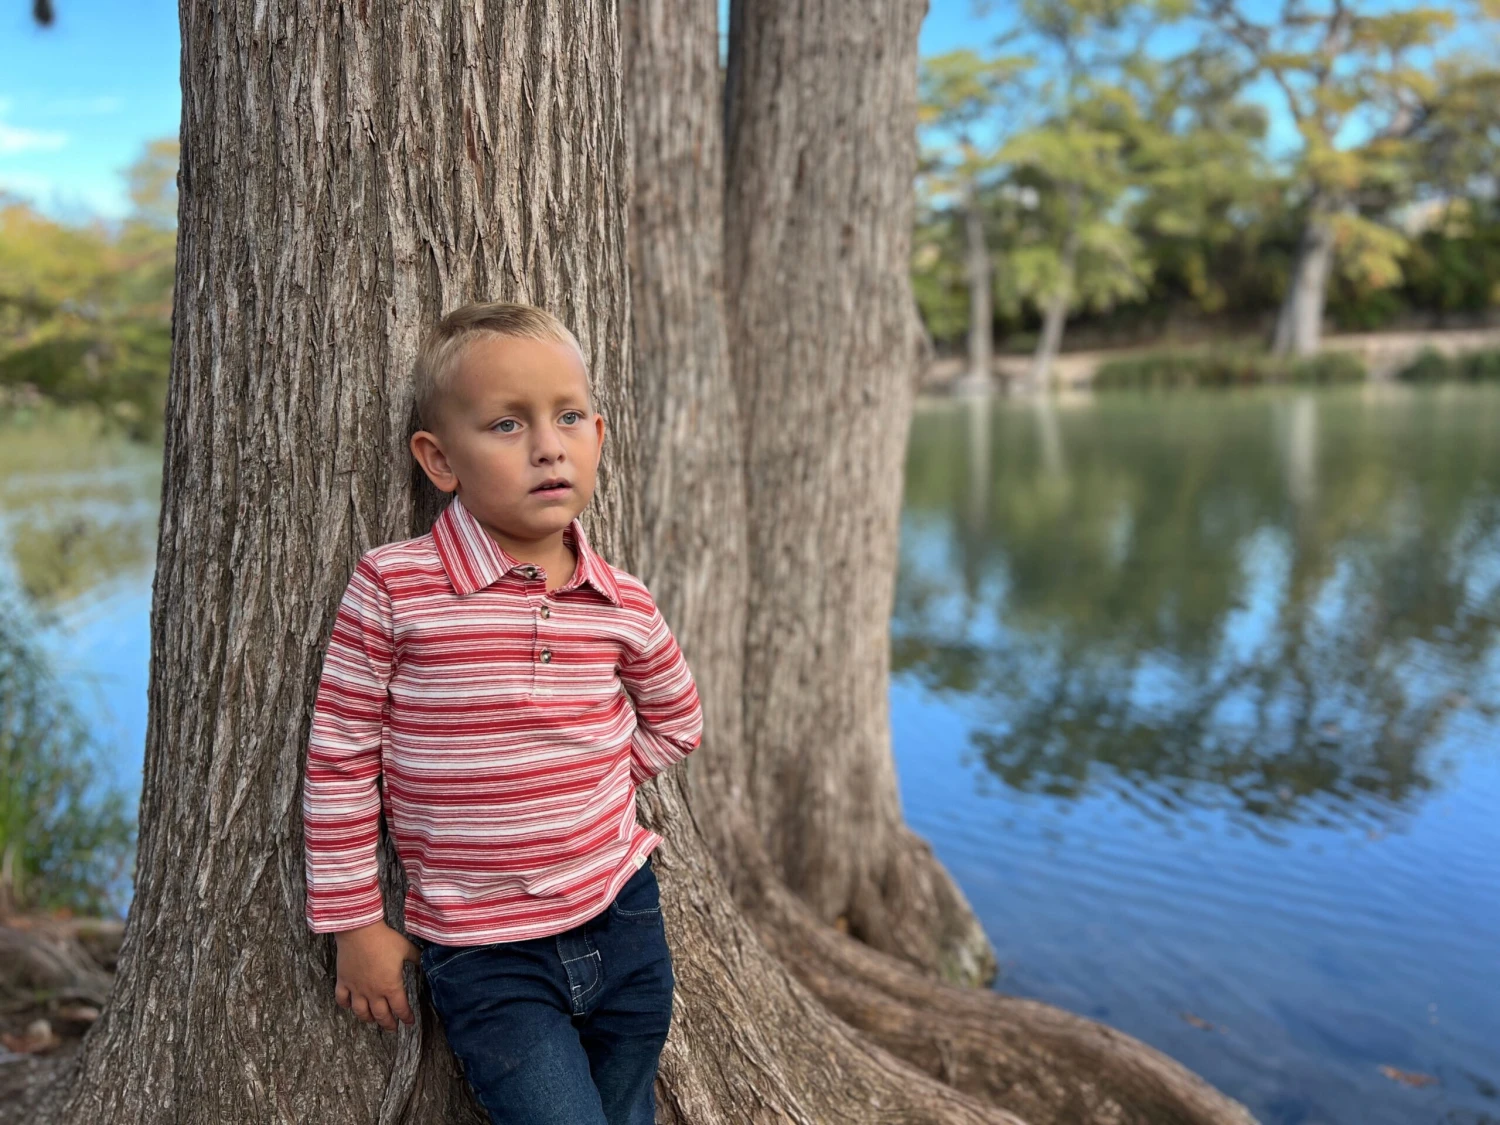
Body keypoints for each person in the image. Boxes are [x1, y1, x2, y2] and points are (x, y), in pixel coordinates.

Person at [301, 301, 704, 1125]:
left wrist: (594, 777)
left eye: (566, 417)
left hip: (623, 914)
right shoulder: (395, 586)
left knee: (629, 1108)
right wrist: (354, 922)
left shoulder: (619, 600)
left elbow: (677, 715)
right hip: (487, 948)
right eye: (506, 424)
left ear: (598, 434)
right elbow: (340, 756)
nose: (548, 445)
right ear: (439, 459)